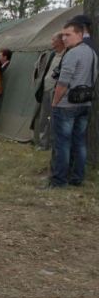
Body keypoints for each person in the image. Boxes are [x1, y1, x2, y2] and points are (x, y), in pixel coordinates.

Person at [45, 20, 97, 188]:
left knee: (62, 143)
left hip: (67, 104)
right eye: (63, 35)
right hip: (85, 103)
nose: (64, 38)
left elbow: (63, 82)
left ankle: (59, 181)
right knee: (79, 142)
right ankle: (76, 178)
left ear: (80, 34)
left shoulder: (72, 54)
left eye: (68, 35)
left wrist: (55, 102)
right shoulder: (92, 52)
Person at [33, 32, 66, 149]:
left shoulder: (66, 55)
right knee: (44, 117)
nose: (51, 42)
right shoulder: (52, 55)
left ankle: (53, 144)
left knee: (54, 118)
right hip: (46, 90)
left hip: (57, 91)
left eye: (53, 40)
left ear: (60, 41)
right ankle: (43, 143)